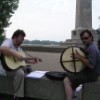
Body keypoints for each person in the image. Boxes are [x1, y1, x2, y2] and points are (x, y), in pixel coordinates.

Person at [0, 29, 40, 100]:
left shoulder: (19, 49)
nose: (22, 41)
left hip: (14, 67)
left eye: (23, 39)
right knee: (20, 73)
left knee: (28, 68)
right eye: (21, 38)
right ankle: (17, 96)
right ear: (15, 37)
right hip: (5, 68)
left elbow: (22, 60)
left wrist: (31, 61)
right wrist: (16, 55)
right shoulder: (8, 41)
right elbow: (3, 49)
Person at [63, 30, 100, 100]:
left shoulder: (92, 48)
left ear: (91, 37)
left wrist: (79, 57)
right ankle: (74, 96)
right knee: (70, 75)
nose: (84, 40)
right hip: (89, 72)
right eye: (82, 38)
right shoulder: (89, 46)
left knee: (66, 80)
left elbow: (91, 65)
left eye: (86, 38)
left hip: (91, 75)